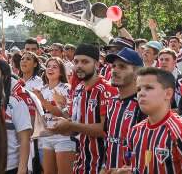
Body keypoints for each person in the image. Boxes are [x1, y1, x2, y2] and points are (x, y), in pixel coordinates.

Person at [123, 67, 182, 173]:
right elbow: (132, 166)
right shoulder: (135, 131)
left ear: (168, 93)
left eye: (148, 88)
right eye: (139, 89)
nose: (141, 93)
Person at [49, 43, 117, 174]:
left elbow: (105, 130)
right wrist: (60, 123)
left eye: (85, 62)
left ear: (97, 64)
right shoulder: (78, 88)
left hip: (101, 165)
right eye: (76, 61)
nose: (79, 65)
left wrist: (70, 125)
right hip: (81, 160)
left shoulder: (106, 89)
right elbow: (75, 123)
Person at [0, 58, 32, 174]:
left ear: (4, 76)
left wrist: (21, 171)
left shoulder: (16, 102)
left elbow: (25, 140)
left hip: (10, 168)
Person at [101, 48, 145, 172]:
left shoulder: (143, 104)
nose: (115, 70)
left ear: (137, 73)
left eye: (122, 67)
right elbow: (109, 140)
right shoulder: (112, 102)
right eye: (114, 66)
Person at [32, 57, 74, 174]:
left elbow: (63, 114)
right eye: (48, 66)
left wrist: (43, 101)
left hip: (63, 138)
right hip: (45, 138)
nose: (50, 69)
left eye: (54, 67)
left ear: (61, 72)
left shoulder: (66, 88)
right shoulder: (41, 89)